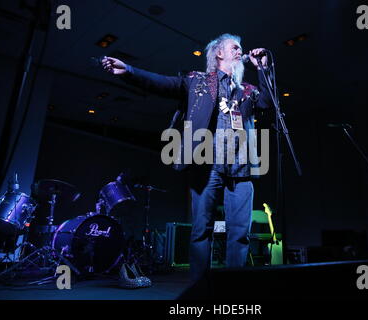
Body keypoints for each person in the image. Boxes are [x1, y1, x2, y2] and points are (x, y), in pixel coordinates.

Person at [102, 33, 271, 281]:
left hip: (241, 166)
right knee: (202, 230)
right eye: (234, 47)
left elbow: (268, 103)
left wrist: (264, 69)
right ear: (219, 53)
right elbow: (161, 83)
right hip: (207, 164)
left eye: (241, 48)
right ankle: (200, 289)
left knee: (240, 233)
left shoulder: (247, 90)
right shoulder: (198, 81)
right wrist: (128, 70)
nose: (240, 51)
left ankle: (235, 287)